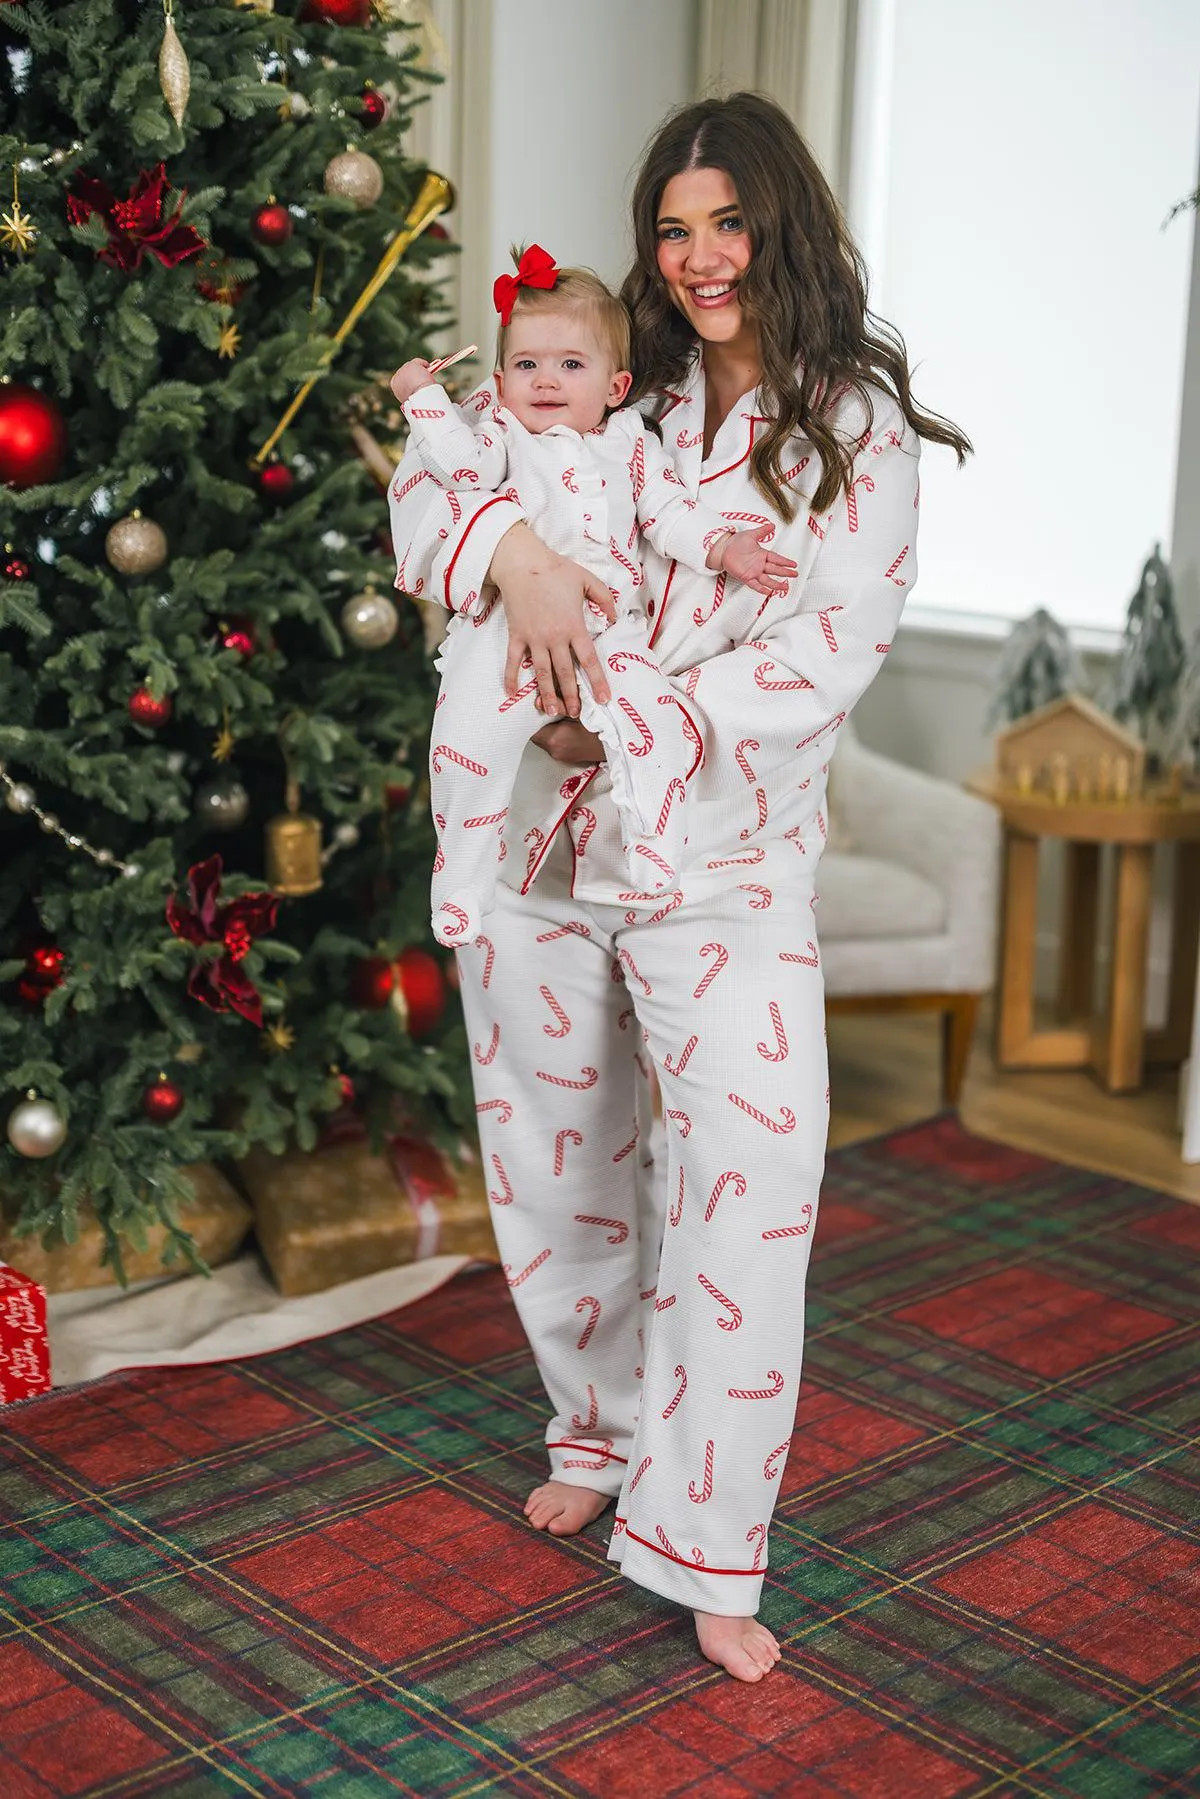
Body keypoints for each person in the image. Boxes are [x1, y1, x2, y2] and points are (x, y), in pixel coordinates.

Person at [389, 91, 970, 1683]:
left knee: (752, 1192)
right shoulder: (615, 393)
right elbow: (446, 474)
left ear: (781, 225)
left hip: (722, 864)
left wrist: (619, 710)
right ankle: (599, 1427)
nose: (701, 256)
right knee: (556, 1157)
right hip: (546, 846)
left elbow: (821, 654)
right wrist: (511, 558)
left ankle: (708, 1535)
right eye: (673, 227)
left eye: (728, 222)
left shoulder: (858, 430)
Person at [388, 251, 796, 947]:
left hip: (611, 629)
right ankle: (459, 879)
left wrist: (725, 548)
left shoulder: (632, 445)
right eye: (526, 366)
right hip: (501, 634)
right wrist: (422, 398)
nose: (546, 380)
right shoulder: (501, 436)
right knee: (466, 745)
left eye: (571, 365)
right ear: (499, 381)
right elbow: (456, 470)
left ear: (617, 385)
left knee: (654, 721)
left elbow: (668, 515)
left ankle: (654, 848)